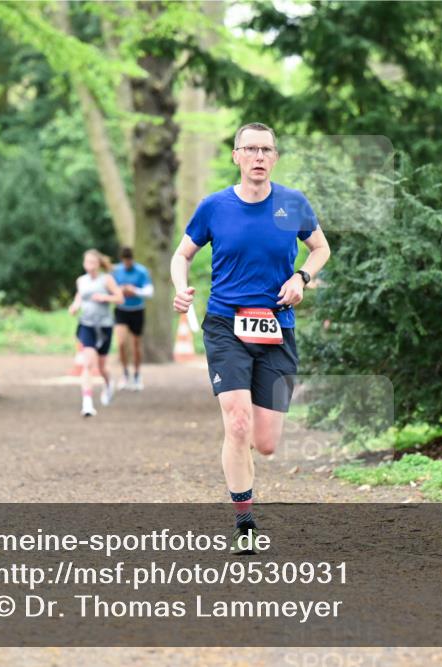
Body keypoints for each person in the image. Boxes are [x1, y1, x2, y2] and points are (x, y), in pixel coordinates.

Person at [170, 122, 331, 553]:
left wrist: (302, 277)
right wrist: (181, 288)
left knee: (266, 443)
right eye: (250, 149)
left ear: (275, 157)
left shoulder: (293, 204)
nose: (259, 156)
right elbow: (181, 254)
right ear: (237, 156)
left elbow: (321, 248)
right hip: (226, 324)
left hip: (278, 326)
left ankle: (249, 487)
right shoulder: (214, 207)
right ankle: (245, 523)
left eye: (266, 149)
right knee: (236, 423)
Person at [68, 249, 124, 417]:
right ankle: (87, 404)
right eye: (87, 263)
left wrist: (105, 298)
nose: (89, 266)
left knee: (101, 366)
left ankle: (108, 384)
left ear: (99, 264)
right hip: (86, 325)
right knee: (88, 363)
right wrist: (75, 306)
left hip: (104, 327)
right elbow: (79, 297)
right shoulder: (81, 281)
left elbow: (120, 298)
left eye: (93, 263)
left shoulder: (106, 279)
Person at [112, 246, 154, 391]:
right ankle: (124, 374)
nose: (127, 264)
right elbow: (110, 288)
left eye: (129, 261)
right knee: (122, 342)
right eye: (125, 261)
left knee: (136, 344)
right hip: (121, 310)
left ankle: (137, 375)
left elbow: (149, 291)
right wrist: (121, 290)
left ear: (132, 259)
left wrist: (134, 290)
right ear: (122, 260)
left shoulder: (141, 271)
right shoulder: (116, 271)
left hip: (137, 310)